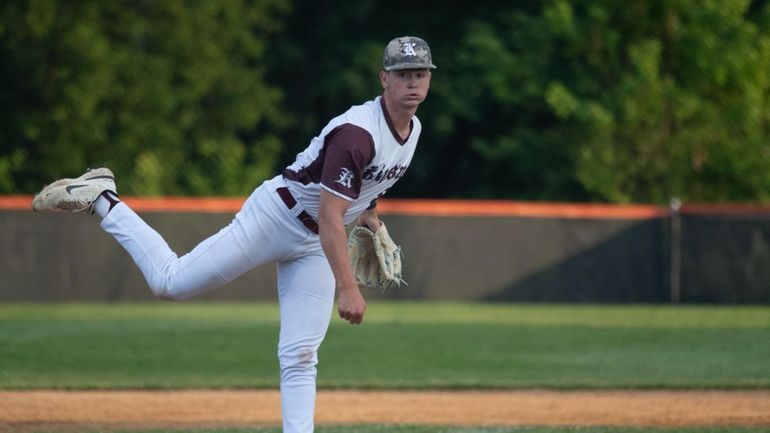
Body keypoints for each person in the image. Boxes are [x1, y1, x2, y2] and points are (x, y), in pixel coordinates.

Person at [32, 36, 435, 433]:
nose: (412, 83)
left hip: (316, 243)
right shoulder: (357, 134)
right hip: (277, 216)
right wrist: (347, 287)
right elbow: (331, 217)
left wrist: (371, 219)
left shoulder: (412, 130)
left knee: (300, 355)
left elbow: (368, 184)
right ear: (384, 79)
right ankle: (103, 197)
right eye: (403, 74)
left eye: (420, 73)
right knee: (169, 282)